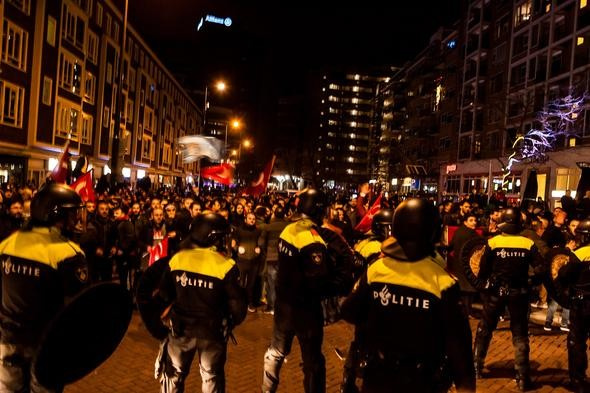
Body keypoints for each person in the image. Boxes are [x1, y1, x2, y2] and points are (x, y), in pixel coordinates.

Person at [340, 199, 475, 393]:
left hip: (378, 377)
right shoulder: (442, 281)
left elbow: (349, 311)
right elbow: (459, 347)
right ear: (434, 233)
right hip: (423, 381)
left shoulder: (377, 270)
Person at [0, 183, 89, 392]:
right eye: (72, 213)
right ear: (56, 214)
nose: (76, 218)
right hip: (46, 346)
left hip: (8, 340)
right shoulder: (69, 253)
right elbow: (75, 308)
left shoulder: (9, 243)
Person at [262, 188, 352, 393]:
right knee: (313, 362)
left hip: (284, 304)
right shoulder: (311, 239)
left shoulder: (289, 230)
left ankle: (266, 389)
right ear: (319, 209)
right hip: (305, 309)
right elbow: (317, 281)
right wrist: (338, 282)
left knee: (275, 352)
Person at [157, 213, 247, 393]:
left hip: (180, 331)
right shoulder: (226, 265)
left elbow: (164, 293)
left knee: (173, 376)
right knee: (211, 377)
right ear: (212, 238)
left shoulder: (178, 259)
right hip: (211, 333)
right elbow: (238, 306)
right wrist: (230, 322)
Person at [473, 207, 545, 391]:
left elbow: (483, 270)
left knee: (484, 329)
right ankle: (522, 377)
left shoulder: (494, 242)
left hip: (497, 293)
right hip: (519, 293)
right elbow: (540, 269)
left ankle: (476, 367)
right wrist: (530, 281)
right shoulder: (527, 243)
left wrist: (486, 285)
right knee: (520, 334)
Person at [340, 208, 393, 393]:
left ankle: (348, 380)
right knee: (365, 342)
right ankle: (354, 377)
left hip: (364, 296)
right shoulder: (374, 246)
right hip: (369, 296)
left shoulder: (365, 243)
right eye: (388, 227)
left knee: (360, 341)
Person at [564, 218, 590, 392]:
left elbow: (563, 275)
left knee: (577, 342)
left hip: (581, 304)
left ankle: (578, 379)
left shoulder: (579, 254)